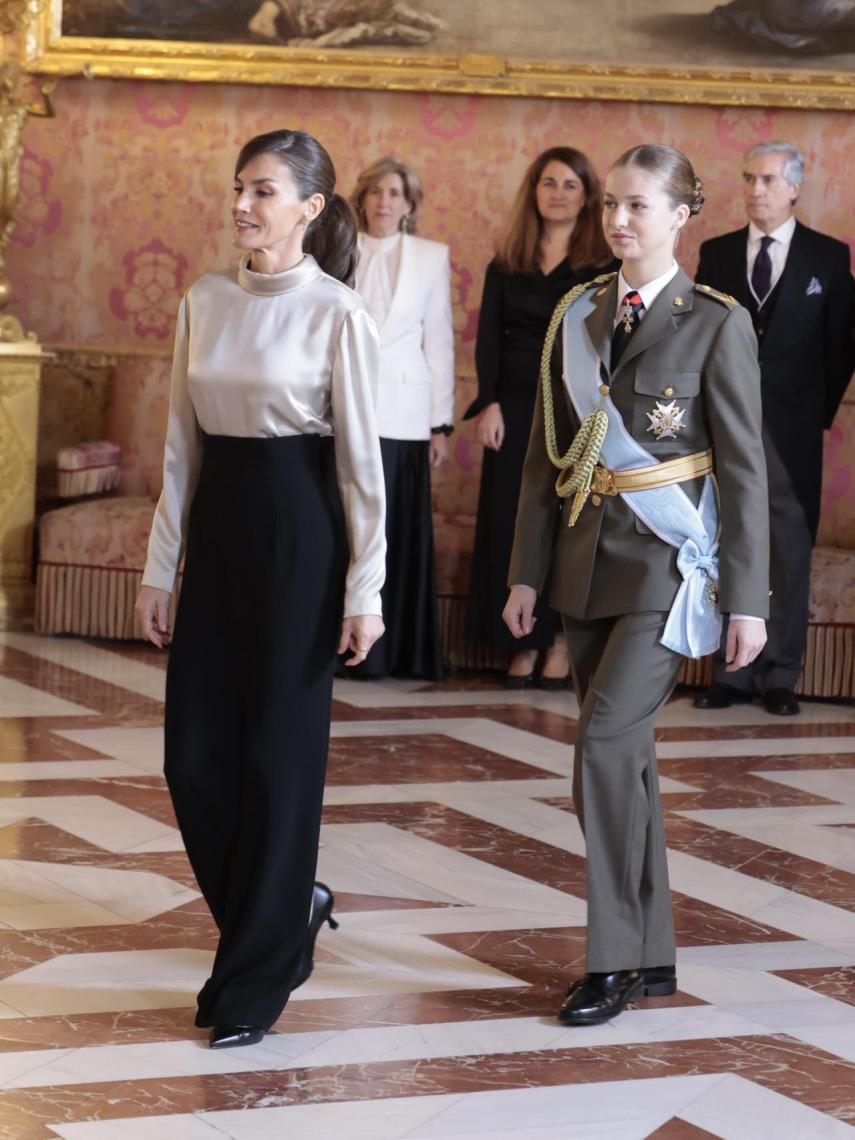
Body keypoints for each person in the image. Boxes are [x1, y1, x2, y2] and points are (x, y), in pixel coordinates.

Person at [504, 144, 769, 1026]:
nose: (618, 220)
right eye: (611, 204)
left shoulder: (714, 321)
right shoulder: (575, 312)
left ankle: (611, 962)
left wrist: (747, 598)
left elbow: (741, 470)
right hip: (584, 568)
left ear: (681, 215)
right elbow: (552, 460)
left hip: (668, 566)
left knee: (604, 751)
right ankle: (652, 955)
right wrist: (524, 573)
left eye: (638, 206)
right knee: (623, 767)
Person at [134, 129, 386, 1050]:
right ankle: (290, 909)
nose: (244, 204)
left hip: (300, 538)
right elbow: (177, 450)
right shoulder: (203, 299)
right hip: (221, 532)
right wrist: (161, 568)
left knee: (277, 763)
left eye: (265, 190)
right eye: (239, 187)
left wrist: (368, 589)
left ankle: (253, 977)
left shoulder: (336, 313)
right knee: (194, 758)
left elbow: (362, 469)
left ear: (311, 209)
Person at [694, 141, 855, 717]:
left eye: (766, 179)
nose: (755, 189)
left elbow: (841, 345)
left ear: (794, 188)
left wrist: (816, 412)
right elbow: (698, 338)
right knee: (728, 542)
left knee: (788, 549)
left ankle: (782, 675)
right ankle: (730, 675)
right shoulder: (714, 254)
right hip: (725, 424)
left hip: (793, 431)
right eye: (748, 178)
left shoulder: (828, 257)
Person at [464, 147, 618, 689]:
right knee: (512, 522)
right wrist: (489, 403)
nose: (557, 193)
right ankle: (520, 644)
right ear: (533, 191)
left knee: (565, 522)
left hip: (574, 407)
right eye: (548, 182)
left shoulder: (605, 266)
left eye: (569, 184)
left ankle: (556, 640)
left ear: (587, 196)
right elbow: (489, 339)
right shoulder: (508, 260)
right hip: (512, 404)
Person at [347, 156, 454, 680]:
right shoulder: (335, 252)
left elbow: (439, 340)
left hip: (406, 414)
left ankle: (394, 652)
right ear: (362, 199)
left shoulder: (432, 258)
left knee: (392, 531)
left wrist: (441, 423)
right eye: (376, 192)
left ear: (409, 205)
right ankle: (342, 646)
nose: (384, 202)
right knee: (349, 527)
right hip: (343, 409)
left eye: (395, 193)